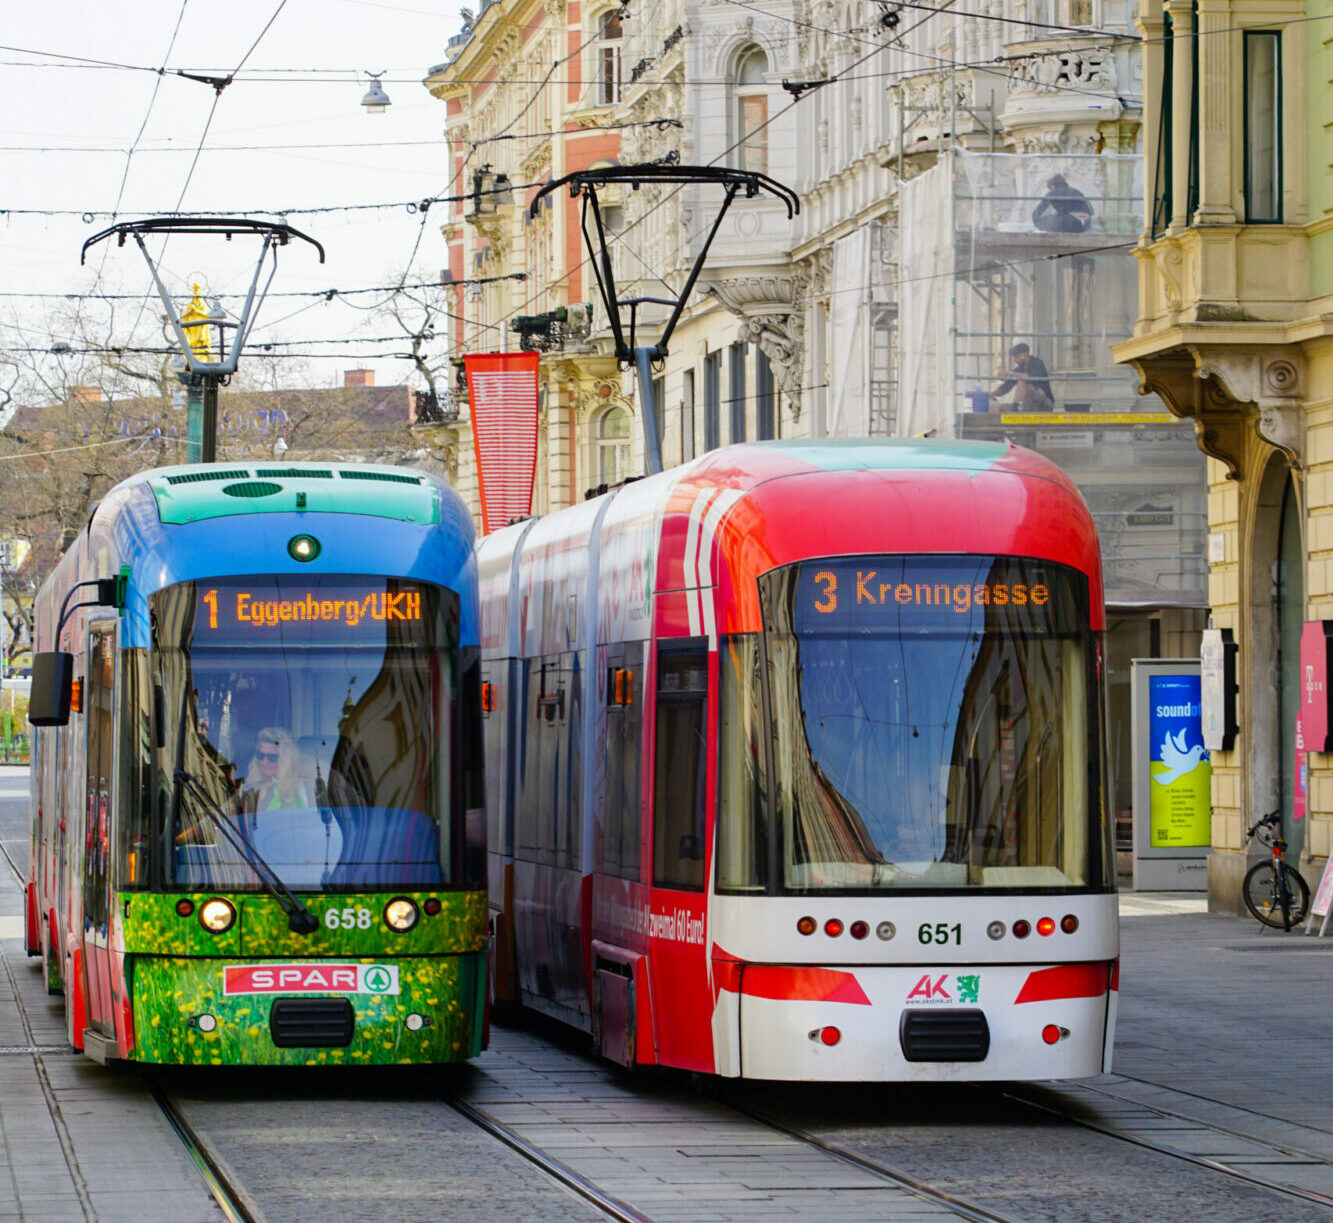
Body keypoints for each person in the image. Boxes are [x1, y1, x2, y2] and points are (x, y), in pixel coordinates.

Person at [241, 727, 317, 813]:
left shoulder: (302, 788)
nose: (265, 762)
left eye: (272, 757)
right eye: (261, 756)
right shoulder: (253, 786)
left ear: (285, 759)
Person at [990, 343, 1055, 411]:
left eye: (1016, 356)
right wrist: (993, 394)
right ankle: (1015, 408)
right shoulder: (1020, 368)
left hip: (1044, 403)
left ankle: (1015, 408)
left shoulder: (1037, 363)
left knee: (1022, 381)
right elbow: (1007, 386)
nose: (1014, 360)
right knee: (1002, 407)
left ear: (1024, 354)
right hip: (1028, 404)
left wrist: (1010, 373)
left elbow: (1030, 377)